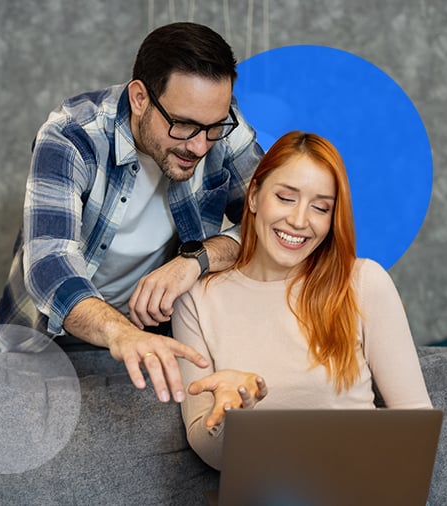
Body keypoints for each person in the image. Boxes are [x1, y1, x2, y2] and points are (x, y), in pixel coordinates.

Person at [0, 22, 264, 404]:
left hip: (160, 338)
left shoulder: (219, 124)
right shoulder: (72, 135)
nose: (201, 145)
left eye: (213, 127)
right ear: (140, 98)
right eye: (183, 125)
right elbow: (49, 265)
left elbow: (269, 225)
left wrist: (197, 259)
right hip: (49, 342)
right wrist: (122, 334)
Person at [172, 131, 432, 469]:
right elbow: (208, 450)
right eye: (285, 198)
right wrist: (231, 414)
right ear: (253, 197)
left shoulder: (364, 282)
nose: (299, 221)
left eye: (320, 207)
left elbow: (417, 426)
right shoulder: (195, 299)